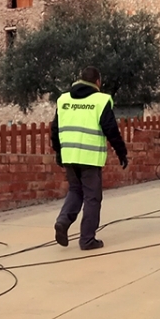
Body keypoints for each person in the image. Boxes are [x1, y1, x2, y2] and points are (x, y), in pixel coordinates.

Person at [51, 66, 128, 250]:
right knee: (92, 198)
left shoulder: (64, 99)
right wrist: (121, 152)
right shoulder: (101, 100)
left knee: (75, 191)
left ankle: (63, 220)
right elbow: (111, 129)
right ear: (98, 82)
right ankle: (87, 240)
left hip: (69, 155)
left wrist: (59, 152)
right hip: (90, 157)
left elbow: (55, 129)